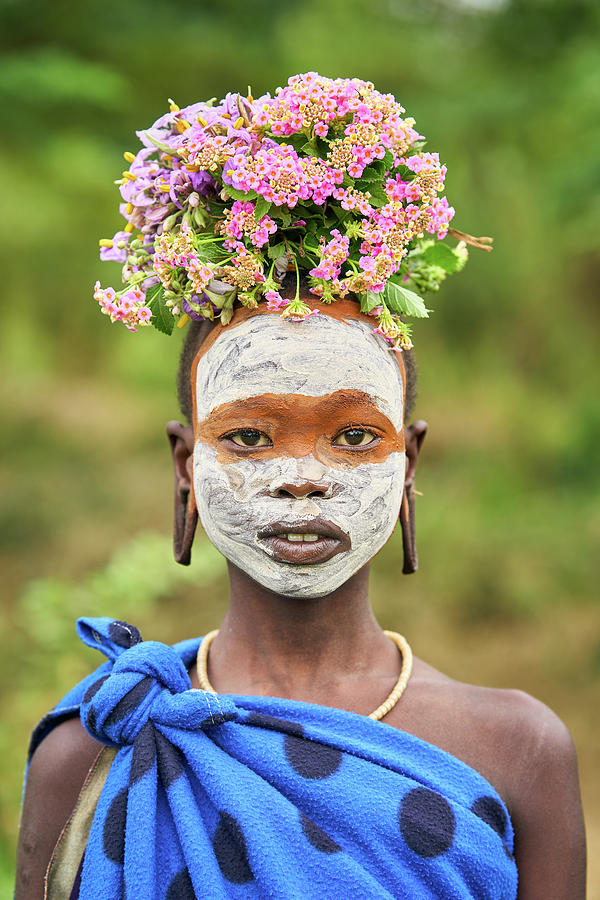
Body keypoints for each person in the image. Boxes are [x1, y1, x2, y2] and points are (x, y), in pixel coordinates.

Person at [16, 74, 585, 899]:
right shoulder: (98, 743)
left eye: (354, 436)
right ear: (186, 466)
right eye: (248, 436)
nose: (300, 482)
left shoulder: (518, 748)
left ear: (409, 463)